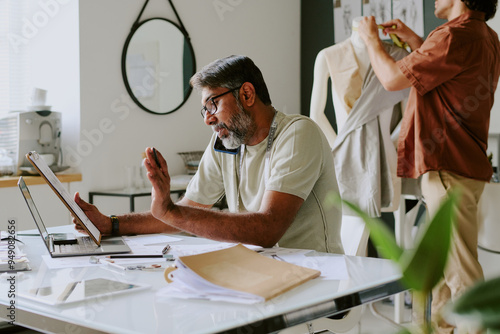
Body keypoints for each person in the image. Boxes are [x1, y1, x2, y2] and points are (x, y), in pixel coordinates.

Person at [73, 55, 344, 254]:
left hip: (316, 278)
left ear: (247, 94)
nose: (208, 119)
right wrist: (111, 225)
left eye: (213, 104)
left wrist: (171, 211)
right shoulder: (226, 142)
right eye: (204, 110)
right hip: (257, 272)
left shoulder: (298, 133)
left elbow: (267, 230)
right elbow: (186, 211)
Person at [358, 1, 500, 333]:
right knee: (445, 281)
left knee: (461, 278)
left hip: (447, 168)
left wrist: (371, 40)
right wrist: (417, 41)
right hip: (466, 166)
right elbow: (451, 73)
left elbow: (393, 78)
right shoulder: (485, 38)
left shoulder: (452, 37)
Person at [310, 17, 410, 217]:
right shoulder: (329, 56)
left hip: (386, 154)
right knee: (350, 228)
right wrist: (338, 146)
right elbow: (315, 115)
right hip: (343, 156)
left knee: (395, 226)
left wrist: (392, 144)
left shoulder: (398, 57)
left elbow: (410, 113)